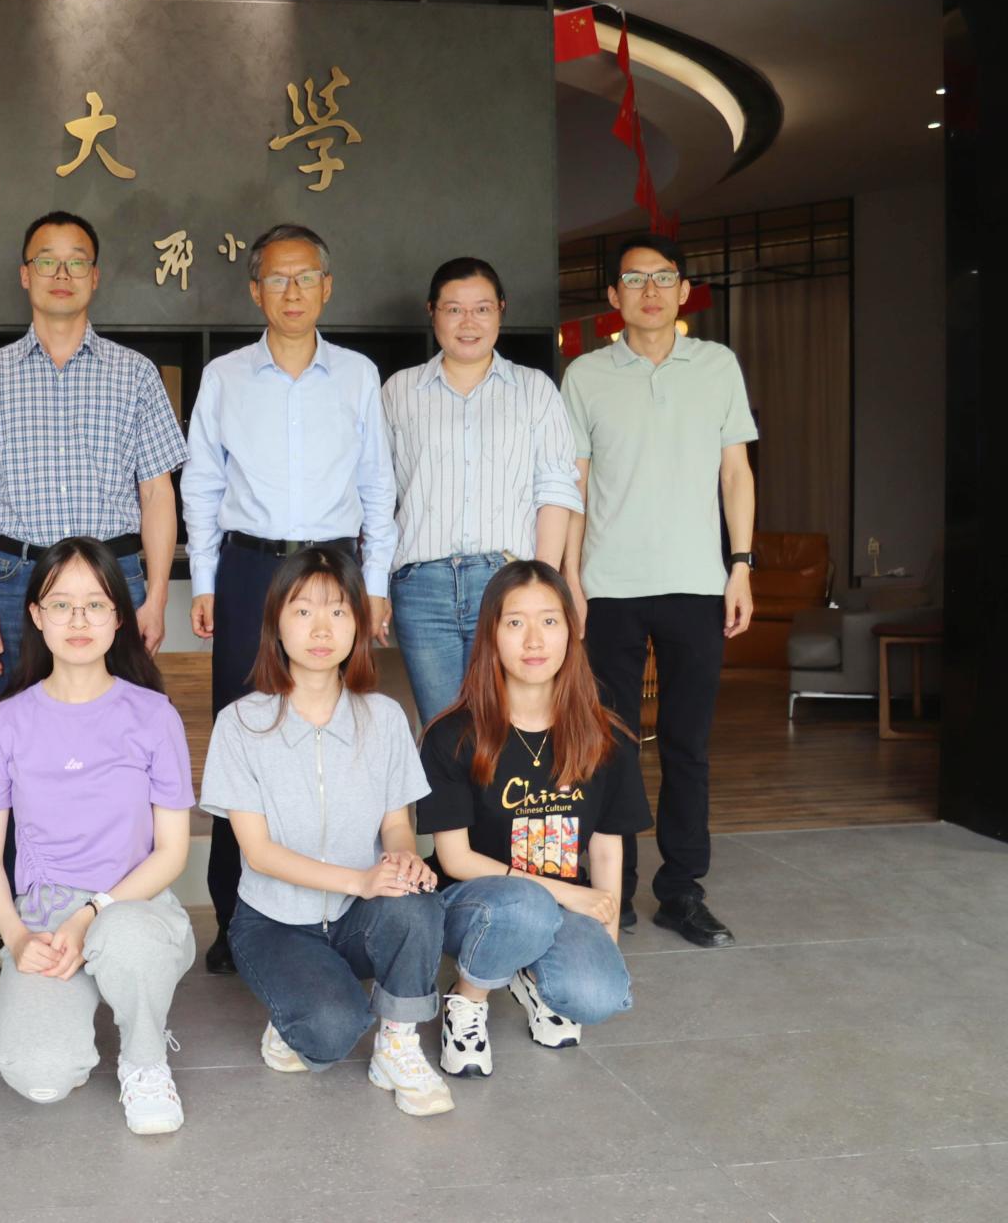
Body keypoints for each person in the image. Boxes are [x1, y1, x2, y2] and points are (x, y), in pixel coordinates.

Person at [0, 211, 188, 967]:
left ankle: (129, 901)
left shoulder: (134, 374)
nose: (61, 274)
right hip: (18, 580)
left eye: (76, 261)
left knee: (126, 731)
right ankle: (19, 913)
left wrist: (155, 595)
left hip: (114, 583)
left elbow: (158, 492)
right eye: (46, 261)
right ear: (25, 275)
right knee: (21, 743)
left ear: (95, 275)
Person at [182, 222, 397, 976]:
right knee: (244, 729)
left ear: (327, 287)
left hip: (336, 572)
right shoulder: (225, 377)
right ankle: (235, 916)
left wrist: (374, 586)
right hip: (251, 571)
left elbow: (378, 485)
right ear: (256, 290)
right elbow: (202, 485)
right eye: (278, 277)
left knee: (344, 726)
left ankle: (348, 901)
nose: (293, 290)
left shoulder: (358, 375)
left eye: (306, 276)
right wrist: (205, 582)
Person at [197, 546, 454, 1119]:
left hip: (356, 916)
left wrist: (402, 858)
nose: (321, 629)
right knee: (330, 1030)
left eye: (338, 611)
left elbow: (396, 823)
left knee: (418, 901)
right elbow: (258, 853)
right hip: (274, 922)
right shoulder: (240, 724)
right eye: (303, 611)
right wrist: (360, 880)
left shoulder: (384, 717)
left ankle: (397, 1045)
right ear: (276, 624)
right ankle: (299, 1007)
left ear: (358, 625)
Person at [562, 232, 757, 947]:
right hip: (607, 588)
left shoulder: (717, 366)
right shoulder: (585, 374)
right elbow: (575, 486)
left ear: (683, 290)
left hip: (697, 585)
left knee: (686, 744)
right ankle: (613, 885)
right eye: (636, 279)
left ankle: (682, 891)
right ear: (613, 297)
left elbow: (735, 473)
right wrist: (569, 580)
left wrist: (741, 565)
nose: (651, 291)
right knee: (609, 745)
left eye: (664, 277)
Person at [0, 538, 196, 1136]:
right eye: (61, 605)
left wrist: (92, 913)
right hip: (44, 918)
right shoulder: (3, 723)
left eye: (95, 605)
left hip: (135, 907)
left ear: (119, 617)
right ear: (36, 615)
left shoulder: (154, 715)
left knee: (124, 938)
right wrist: (17, 936)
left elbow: (173, 851)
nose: (77, 621)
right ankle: (89, 1002)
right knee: (39, 1077)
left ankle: (144, 1057)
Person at [418, 560, 650, 1075]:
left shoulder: (605, 737)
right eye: (515, 622)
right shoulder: (452, 736)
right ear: (491, 635)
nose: (534, 640)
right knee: (526, 907)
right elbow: (455, 859)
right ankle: (468, 998)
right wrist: (567, 894)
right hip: (472, 906)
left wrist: (605, 934)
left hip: (562, 904)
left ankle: (527, 974)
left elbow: (606, 847)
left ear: (571, 630)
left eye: (549, 621)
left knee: (596, 995)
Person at [381, 256, 582, 726]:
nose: (468, 322)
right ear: (432, 313)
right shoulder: (399, 391)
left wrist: (542, 584)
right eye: (454, 309)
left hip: (506, 580)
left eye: (482, 309)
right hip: (422, 587)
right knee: (442, 729)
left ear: (501, 311)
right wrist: (376, 587)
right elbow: (378, 495)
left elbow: (555, 489)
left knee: (508, 723)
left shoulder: (534, 390)